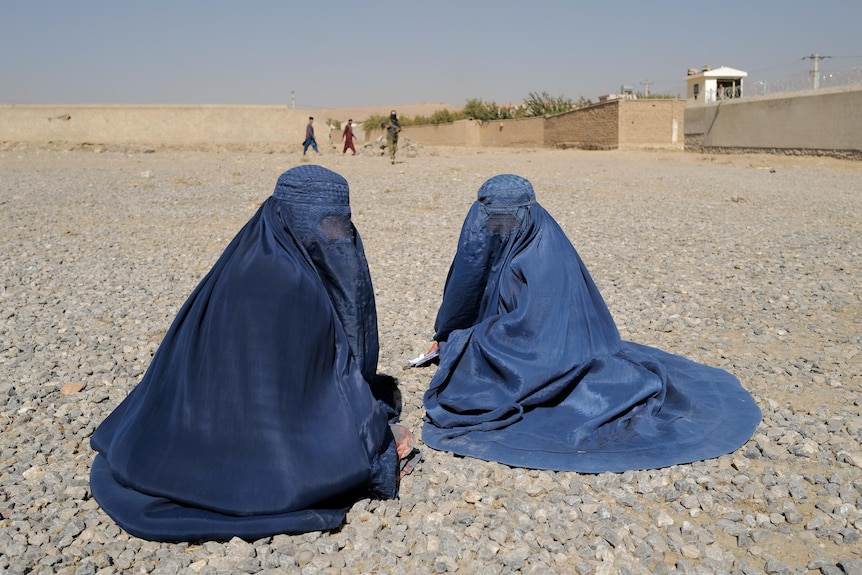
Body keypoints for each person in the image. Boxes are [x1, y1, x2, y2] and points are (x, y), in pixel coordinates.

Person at [90, 165, 409, 542]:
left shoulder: (243, 257)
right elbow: (332, 371)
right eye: (326, 225)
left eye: (342, 225)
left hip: (189, 426)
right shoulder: (294, 288)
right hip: (268, 455)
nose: (337, 237)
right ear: (288, 215)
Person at [420, 174, 761, 473]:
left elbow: (534, 339)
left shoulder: (541, 256)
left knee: (472, 369)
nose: (494, 229)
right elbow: (471, 277)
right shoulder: (531, 233)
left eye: (501, 221)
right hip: (559, 343)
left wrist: (468, 340)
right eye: (490, 220)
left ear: (521, 214)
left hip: (551, 354)